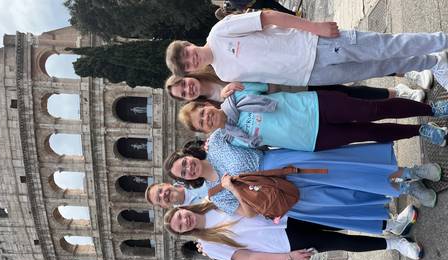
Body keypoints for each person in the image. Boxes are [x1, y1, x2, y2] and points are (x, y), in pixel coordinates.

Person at [163, 131, 441, 235]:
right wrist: (232, 187)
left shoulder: (217, 141)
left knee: (346, 170)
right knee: (340, 199)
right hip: (284, 199)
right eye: (184, 173)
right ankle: (405, 190)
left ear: (189, 155)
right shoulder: (216, 195)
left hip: (284, 165)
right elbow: (248, 213)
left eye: (185, 162)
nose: (188, 168)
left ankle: (411, 173)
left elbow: (251, 129)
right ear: (188, 181)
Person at [165, 10, 448, 89]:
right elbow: (262, 80)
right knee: (378, 66)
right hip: (309, 75)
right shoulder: (224, 73)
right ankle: (432, 61)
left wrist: (314, 27)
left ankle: (440, 40)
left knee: (384, 46)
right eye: (188, 65)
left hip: (314, 45)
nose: (192, 59)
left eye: (188, 54)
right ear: (193, 70)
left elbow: (267, 17)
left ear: (190, 46)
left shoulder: (219, 32)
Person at [177, 83, 448, 151]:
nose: (206, 118)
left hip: (314, 107)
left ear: (206, 105)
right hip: (311, 139)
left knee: (372, 110)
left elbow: (271, 82)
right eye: (201, 122)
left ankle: (431, 110)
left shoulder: (236, 93)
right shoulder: (232, 141)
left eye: (202, 112)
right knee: (370, 134)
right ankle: (420, 132)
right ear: (203, 131)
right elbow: (261, 153)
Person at [164, 202, 424, 260]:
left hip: (285, 215)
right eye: (181, 226)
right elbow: (250, 258)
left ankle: (392, 225)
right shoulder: (209, 245)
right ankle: (395, 245)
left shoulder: (213, 202)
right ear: (184, 232)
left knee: (342, 217)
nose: (185, 220)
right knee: (341, 241)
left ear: (183, 208)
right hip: (284, 241)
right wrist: (288, 258)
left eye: (181, 216)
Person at [165, 68, 429, 103]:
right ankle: (400, 94)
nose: (188, 89)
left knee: (347, 70)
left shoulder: (218, 68)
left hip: (287, 76)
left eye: (184, 84)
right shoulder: (213, 106)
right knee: (345, 94)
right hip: (287, 100)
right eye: (184, 93)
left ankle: (407, 70)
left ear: (189, 76)